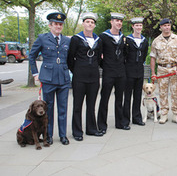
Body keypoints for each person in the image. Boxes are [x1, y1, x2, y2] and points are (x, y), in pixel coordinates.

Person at [29, 12, 70, 145]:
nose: (58, 26)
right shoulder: (42, 38)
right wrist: (35, 73)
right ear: (50, 25)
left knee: (63, 109)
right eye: (56, 24)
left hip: (63, 79)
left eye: (60, 24)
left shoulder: (67, 40)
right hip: (48, 79)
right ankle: (49, 135)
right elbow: (31, 56)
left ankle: (63, 135)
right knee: (49, 109)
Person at [67, 12, 103, 141]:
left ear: (94, 25)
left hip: (93, 77)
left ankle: (91, 129)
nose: (90, 24)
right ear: (83, 24)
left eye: (92, 22)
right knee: (77, 105)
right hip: (79, 77)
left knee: (91, 104)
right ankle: (77, 131)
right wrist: (77, 70)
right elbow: (70, 58)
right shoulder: (76, 39)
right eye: (88, 22)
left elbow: (99, 58)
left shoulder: (98, 39)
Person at [97, 12, 130, 134]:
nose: (119, 23)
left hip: (121, 72)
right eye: (116, 21)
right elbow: (98, 54)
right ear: (111, 22)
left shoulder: (123, 37)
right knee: (104, 98)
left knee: (119, 98)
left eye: (120, 21)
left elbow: (125, 54)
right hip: (109, 72)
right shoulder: (103, 36)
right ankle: (101, 125)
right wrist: (105, 65)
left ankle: (120, 122)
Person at [150, 18, 177, 125]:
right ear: (160, 27)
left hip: (175, 69)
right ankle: (164, 113)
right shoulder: (156, 41)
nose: (167, 27)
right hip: (162, 69)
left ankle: (176, 115)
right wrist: (153, 73)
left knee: (176, 93)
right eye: (164, 25)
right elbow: (153, 57)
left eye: (168, 25)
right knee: (163, 93)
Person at [123, 17, 149, 126]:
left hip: (139, 71)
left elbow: (144, 55)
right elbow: (125, 55)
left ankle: (137, 117)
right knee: (128, 96)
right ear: (133, 26)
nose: (139, 27)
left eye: (140, 25)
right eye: (136, 25)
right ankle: (125, 119)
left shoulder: (145, 40)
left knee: (138, 96)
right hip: (129, 70)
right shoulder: (127, 40)